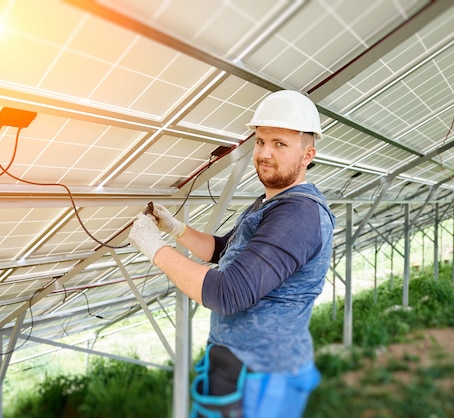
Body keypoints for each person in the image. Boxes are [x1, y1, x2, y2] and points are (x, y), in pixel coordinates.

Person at [128, 90, 336, 418]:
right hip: (239, 362)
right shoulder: (273, 202)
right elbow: (226, 250)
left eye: (279, 143)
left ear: (308, 153)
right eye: (260, 141)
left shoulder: (297, 215)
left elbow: (229, 292)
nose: (265, 153)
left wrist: (155, 249)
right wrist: (176, 229)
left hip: (264, 375)